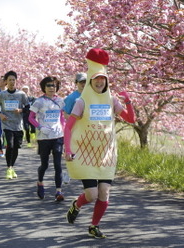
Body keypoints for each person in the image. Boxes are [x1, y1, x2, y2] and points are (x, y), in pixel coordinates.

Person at [64, 48, 136, 238]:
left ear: (106, 81)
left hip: (106, 154)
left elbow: (130, 120)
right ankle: (77, 204)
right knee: (92, 195)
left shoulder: (111, 100)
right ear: (90, 81)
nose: (99, 81)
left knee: (104, 193)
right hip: (86, 153)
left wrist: (128, 102)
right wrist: (68, 149)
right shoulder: (82, 101)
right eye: (96, 78)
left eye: (102, 79)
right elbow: (68, 127)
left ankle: (94, 226)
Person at [28, 76, 65, 201]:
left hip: (58, 136)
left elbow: (61, 118)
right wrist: (40, 127)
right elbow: (31, 118)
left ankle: (58, 191)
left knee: (58, 165)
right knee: (44, 165)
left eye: (53, 85)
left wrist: (63, 129)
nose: (51, 88)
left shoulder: (60, 101)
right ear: (44, 87)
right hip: (44, 137)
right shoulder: (39, 101)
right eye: (48, 85)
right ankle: (40, 182)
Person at [0, 70, 29, 179]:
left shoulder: (21, 94)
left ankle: (12, 167)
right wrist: (0, 115)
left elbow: (28, 108)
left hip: (18, 125)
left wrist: (20, 110)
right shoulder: (1, 94)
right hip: (7, 124)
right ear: (6, 82)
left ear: (16, 81)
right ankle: (9, 168)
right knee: (10, 145)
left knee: (16, 147)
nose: (12, 82)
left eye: (14, 80)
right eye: (10, 80)